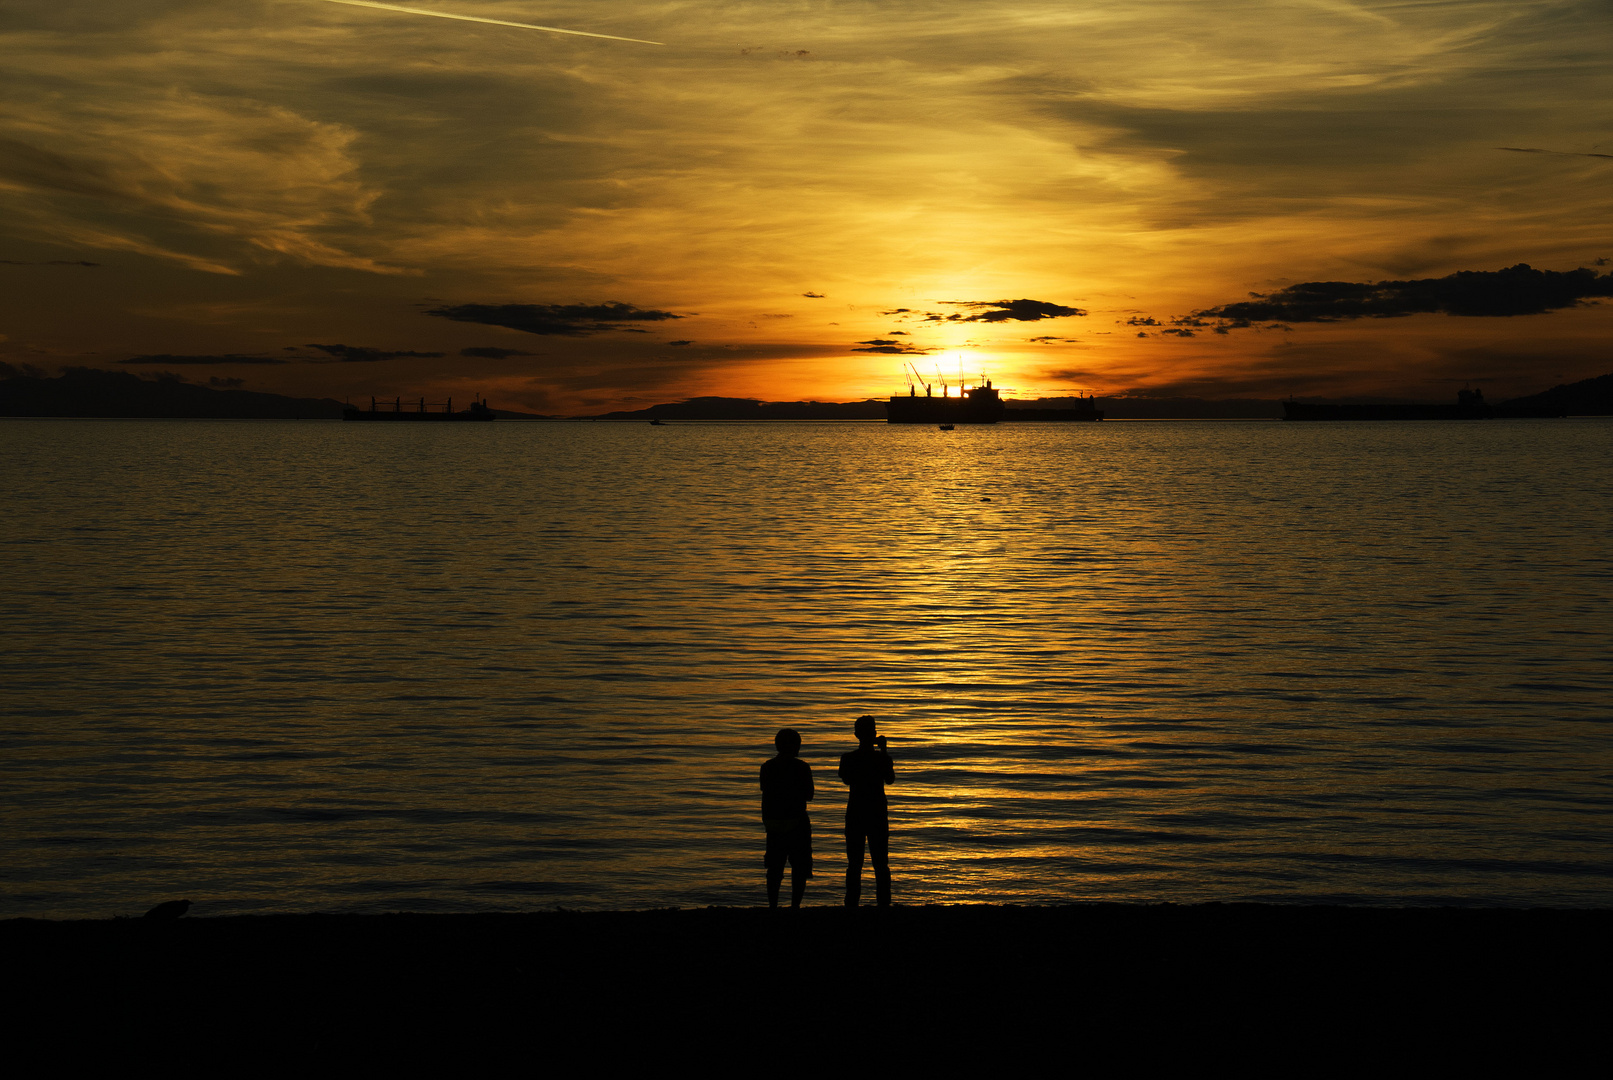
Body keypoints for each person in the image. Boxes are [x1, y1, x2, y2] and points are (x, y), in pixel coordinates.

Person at [839, 715, 894, 907]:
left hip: (856, 812)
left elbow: (846, 779)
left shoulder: (848, 758)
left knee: (855, 862)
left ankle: (852, 902)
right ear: (874, 734)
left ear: (856, 735)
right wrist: (884, 751)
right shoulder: (881, 759)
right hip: (876, 812)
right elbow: (890, 779)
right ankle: (883, 903)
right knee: (880, 862)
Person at [760, 728, 814, 909]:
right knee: (799, 867)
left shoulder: (767, 767)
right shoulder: (802, 767)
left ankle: (773, 906)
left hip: (774, 823)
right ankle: (795, 906)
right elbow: (809, 795)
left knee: (775, 869)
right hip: (797, 822)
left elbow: (765, 791)